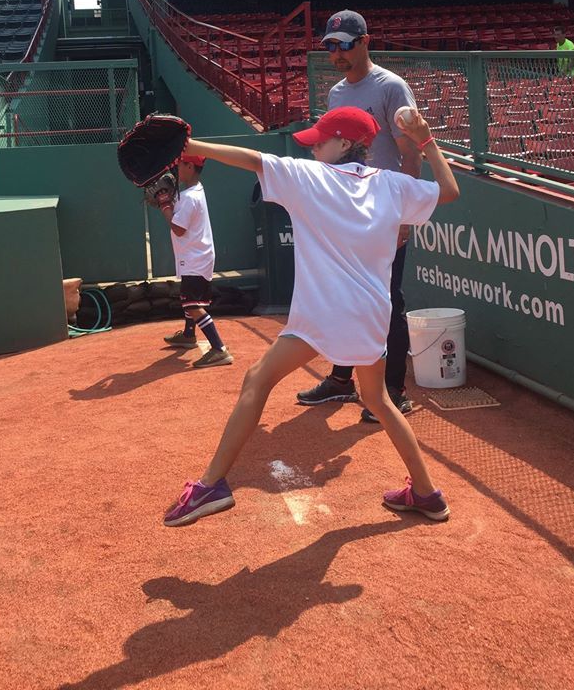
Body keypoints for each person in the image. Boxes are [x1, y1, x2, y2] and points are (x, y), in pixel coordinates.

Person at [163, 105, 459, 527]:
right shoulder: (393, 185)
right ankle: (428, 494)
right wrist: (427, 141)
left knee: (257, 379)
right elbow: (448, 191)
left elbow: (250, 159)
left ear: (346, 143)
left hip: (323, 313)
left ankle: (212, 485)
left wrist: (190, 146)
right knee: (376, 399)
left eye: (322, 139)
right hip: (373, 315)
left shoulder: (309, 177)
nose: (314, 144)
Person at [296, 9, 423, 423]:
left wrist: (404, 216)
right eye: (330, 47)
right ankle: (339, 380)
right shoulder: (335, 94)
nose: (336, 55)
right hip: (346, 213)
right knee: (344, 297)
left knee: (388, 301)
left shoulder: (392, 87)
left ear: (365, 41)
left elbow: (411, 153)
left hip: (383, 214)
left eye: (344, 46)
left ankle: (391, 391)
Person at [159, 155, 233, 368]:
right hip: (195, 255)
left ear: (190, 166)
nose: (176, 169)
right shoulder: (191, 192)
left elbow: (178, 229)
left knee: (191, 305)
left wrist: (164, 206)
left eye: (180, 165)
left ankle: (219, 349)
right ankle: (189, 335)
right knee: (188, 298)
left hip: (196, 257)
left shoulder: (191, 197)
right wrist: (168, 201)